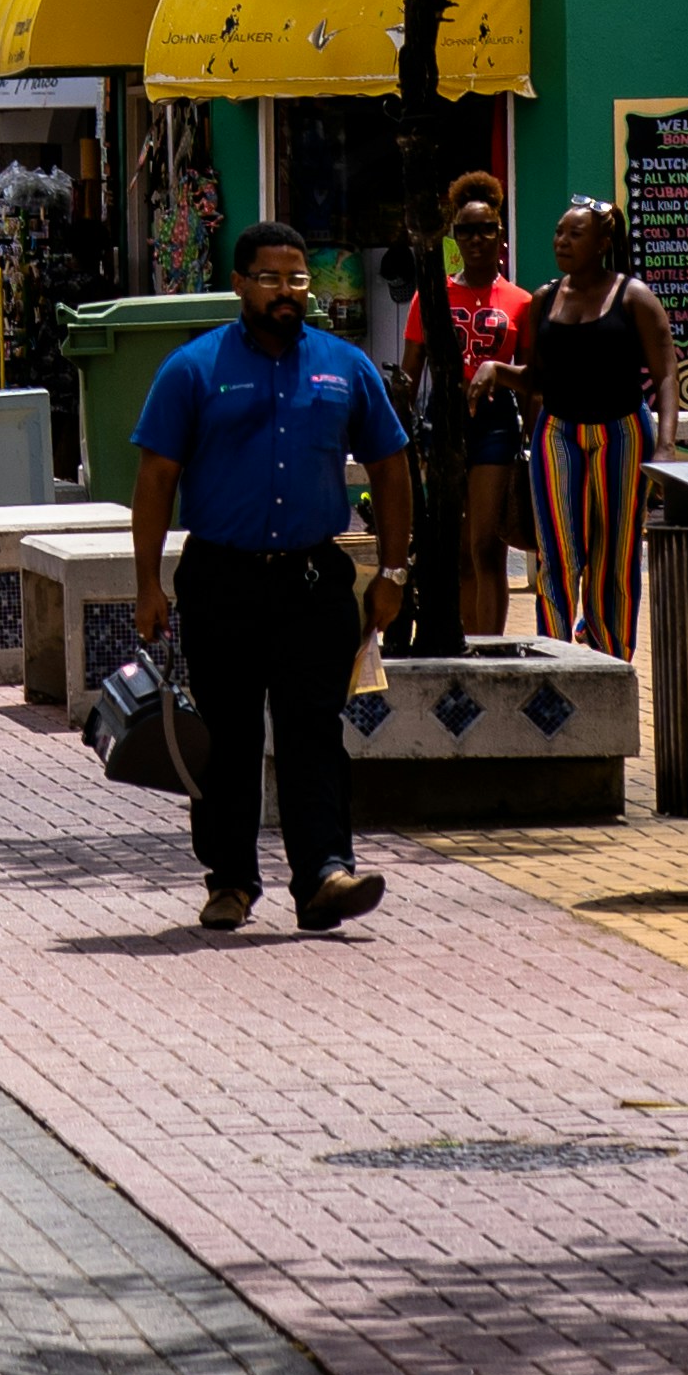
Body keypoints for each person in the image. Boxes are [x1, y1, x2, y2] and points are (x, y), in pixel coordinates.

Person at [127, 219, 414, 934]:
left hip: (314, 581)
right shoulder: (192, 367)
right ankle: (229, 880)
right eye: (269, 278)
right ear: (238, 283)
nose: (285, 292)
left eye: (296, 279)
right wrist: (146, 586)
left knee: (313, 731)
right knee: (224, 737)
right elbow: (156, 478)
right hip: (220, 577)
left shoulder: (343, 366)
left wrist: (393, 570)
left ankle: (323, 875)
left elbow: (390, 465)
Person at [526, 197, 675, 655]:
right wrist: (494, 369)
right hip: (558, 432)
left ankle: (611, 660)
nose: (562, 241)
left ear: (603, 244)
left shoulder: (634, 298)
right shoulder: (544, 299)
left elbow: (667, 374)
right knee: (556, 556)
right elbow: (535, 379)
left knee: (614, 557)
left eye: (575, 234)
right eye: (559, 231)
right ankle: (554, 660)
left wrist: (666, 449)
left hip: (621, 433)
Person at [401, 173, 534, 641]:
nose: (476, 238)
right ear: (453, 237)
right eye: (466, 230)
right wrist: (405, 432)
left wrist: (533, 439)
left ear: (500, 234)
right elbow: (410, 370)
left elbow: (532, 377)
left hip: (495, 424)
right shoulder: (431, 296)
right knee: (453, 549)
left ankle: (489, 648)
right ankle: (460, 641)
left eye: (486, 229)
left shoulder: (520, 301)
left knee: (485, 544)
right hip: (442, 422)